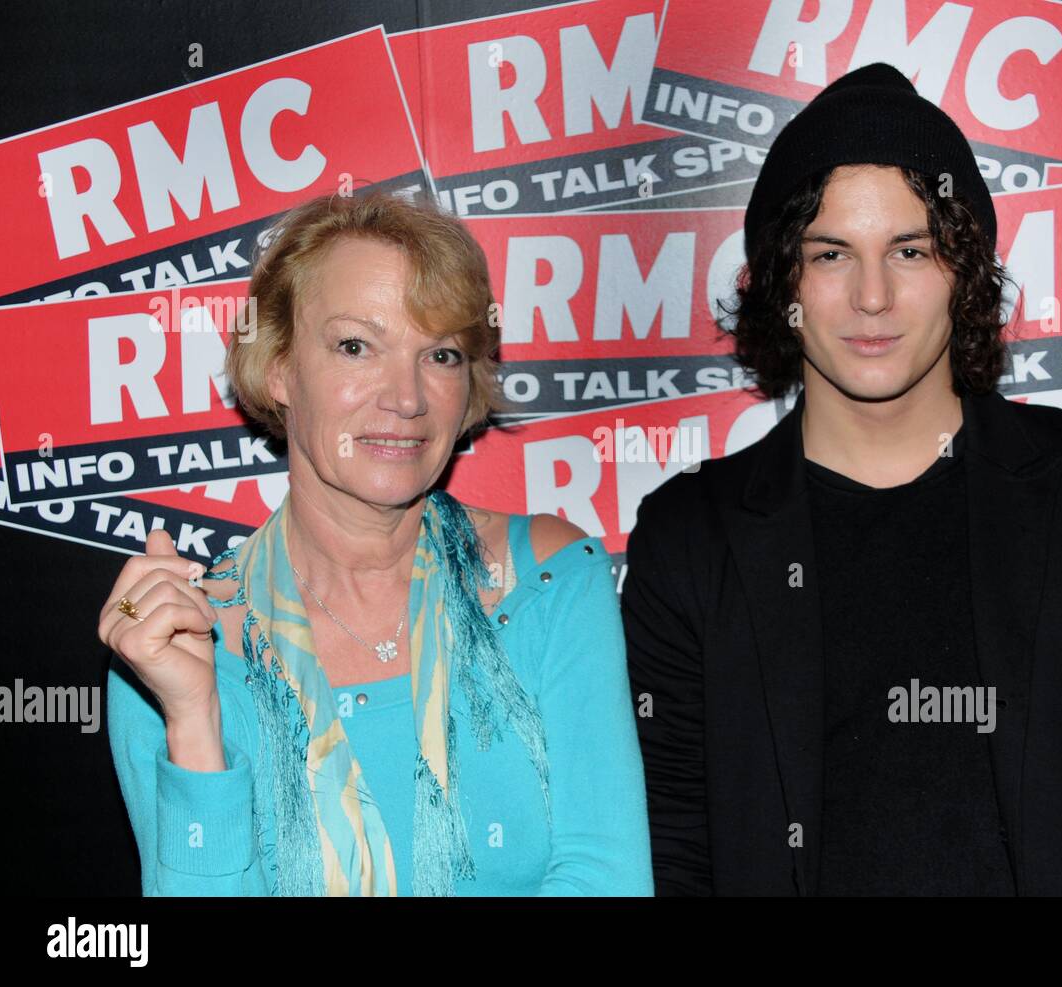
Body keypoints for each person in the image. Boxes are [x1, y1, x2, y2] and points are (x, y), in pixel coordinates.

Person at [620, 63, 1062, 896]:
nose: (872, 296)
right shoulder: (691, 538)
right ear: (780, 277)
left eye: (910, 249)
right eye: (830, 253)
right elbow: (671, 854)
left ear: (964, 269)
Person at [100, 188, 653, 896]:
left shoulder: (546, 583)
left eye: (442, 355)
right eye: (356, 345)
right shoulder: (177, 645)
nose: (407, 397)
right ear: (278, 367)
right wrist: (194, 720)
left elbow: (606, 878)